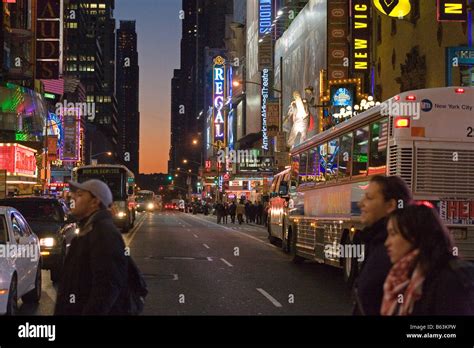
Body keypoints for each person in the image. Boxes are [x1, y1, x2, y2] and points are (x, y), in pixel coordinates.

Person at [381, 204, 474, 315]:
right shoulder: (404, 277)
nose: (387, 243)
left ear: (415, 234)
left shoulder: (449, 279)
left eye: (393, 234)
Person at [55, 179, 129, 315]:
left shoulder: (103, 233)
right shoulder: (87, 230)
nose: (73, 197)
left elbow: (106, 287)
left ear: (95, 202)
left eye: (81, 195)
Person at [352, 175, 413, 315]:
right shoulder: (375, 241)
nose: (360, 203)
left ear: (390, 205)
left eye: (369, 198)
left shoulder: (392, 251)